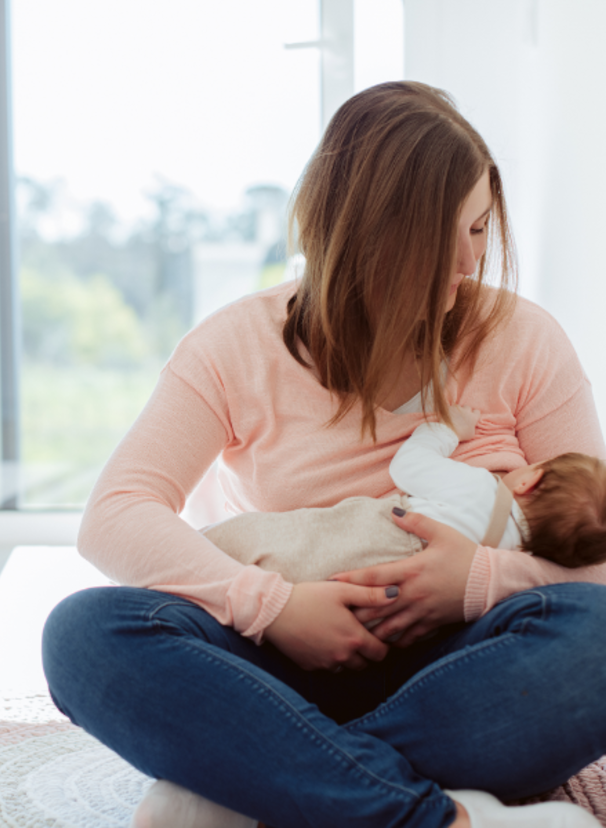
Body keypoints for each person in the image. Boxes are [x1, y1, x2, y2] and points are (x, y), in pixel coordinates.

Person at [41, 81, 606, 828]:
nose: (471, 264)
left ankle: (244, 785)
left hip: (459, 666)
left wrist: (478, 581)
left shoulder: (522, 339)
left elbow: (598, 560)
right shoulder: (234, 345)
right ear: (367, 234)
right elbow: (114, 517)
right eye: (451, 237)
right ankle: (423, 815)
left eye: (479, 230)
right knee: (85, 635)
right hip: (274, 666)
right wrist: (276, 609)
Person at [204, 406, 606, 583]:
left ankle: (195, 549)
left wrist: (448, 428)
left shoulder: (479, 487)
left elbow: (408, 467)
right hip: (380, 604)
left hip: (371, 537)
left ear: (527, 481)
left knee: (257, 541)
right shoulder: (517, 561)